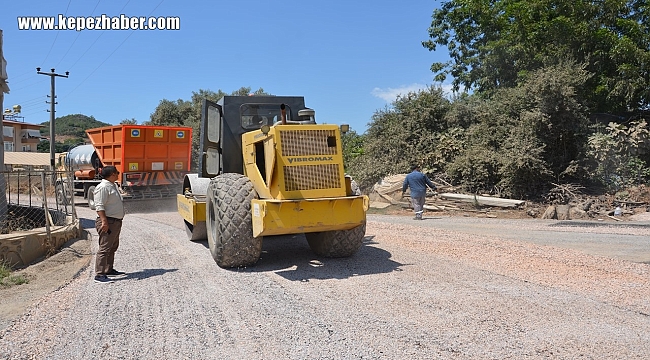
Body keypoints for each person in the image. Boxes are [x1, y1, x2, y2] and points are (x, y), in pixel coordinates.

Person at [93, 166, 126, 283]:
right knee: (105, 248)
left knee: (112, 247)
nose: (118, 174)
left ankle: (108, 269)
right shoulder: (102, 188)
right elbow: (99, 206)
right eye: (117, 172)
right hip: (109, 222)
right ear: (112, 174)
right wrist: (104, 221)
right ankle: (99, 274)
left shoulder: (112, 185)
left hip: (115, 221)